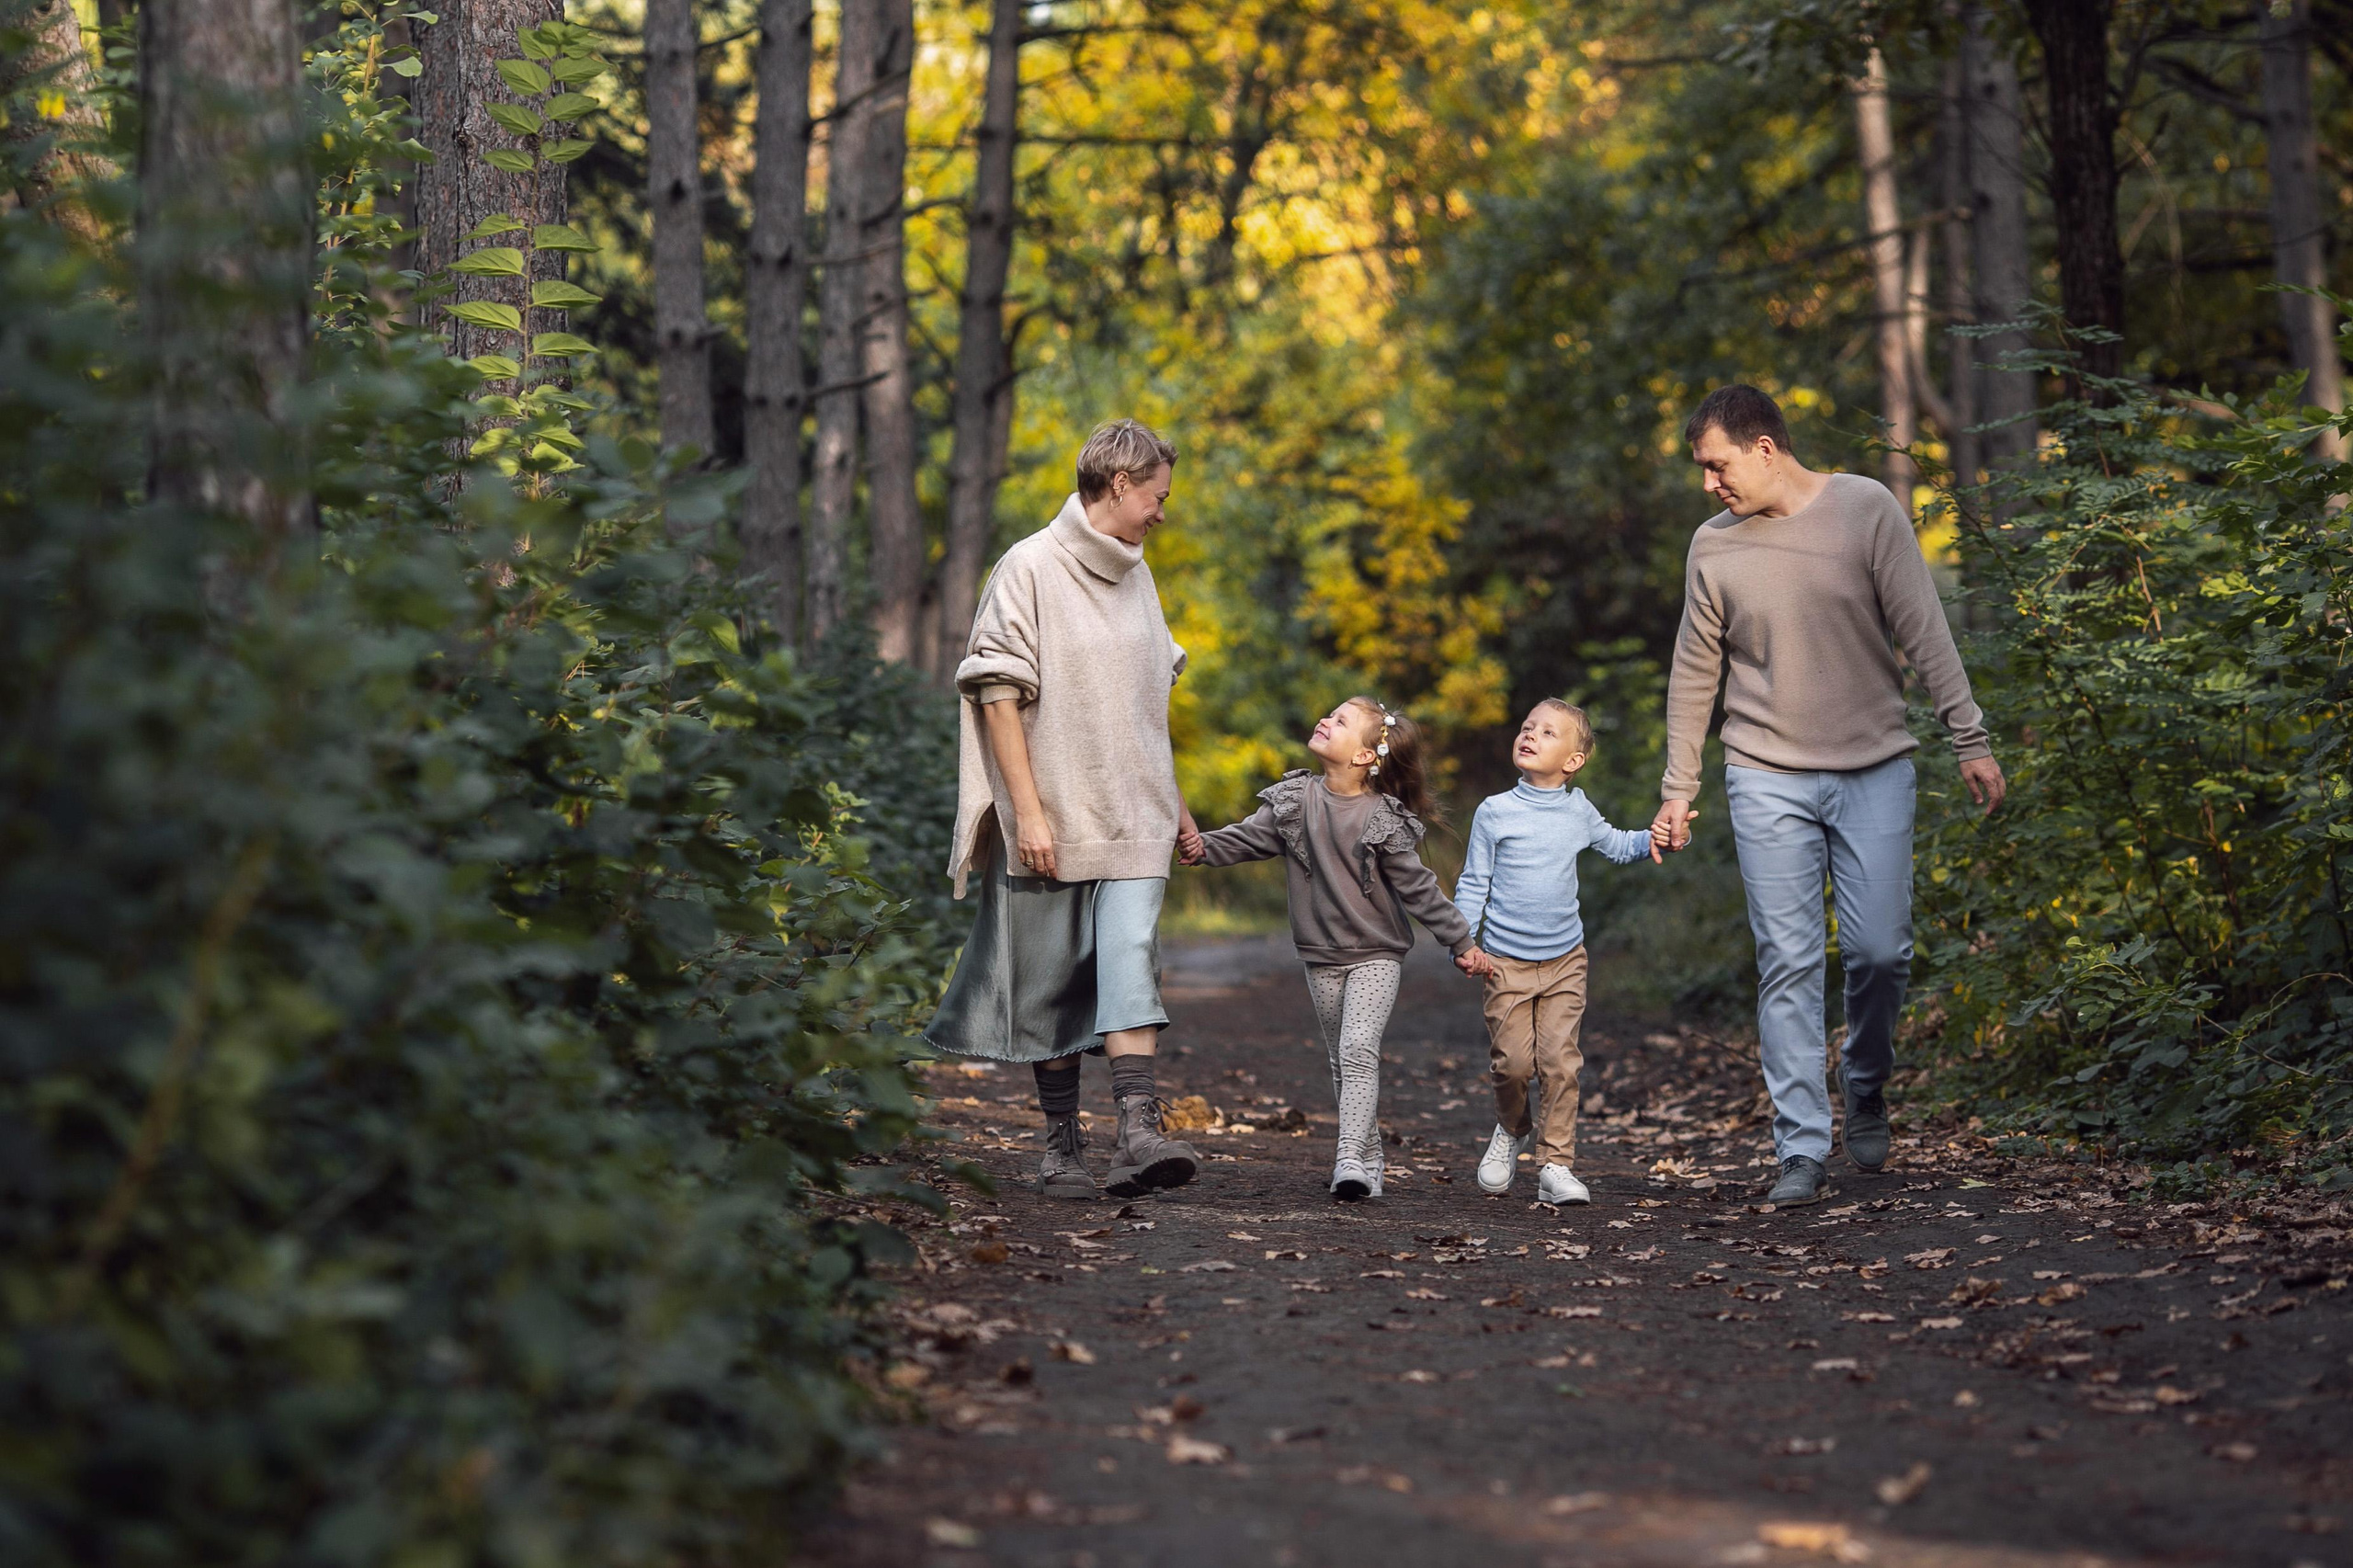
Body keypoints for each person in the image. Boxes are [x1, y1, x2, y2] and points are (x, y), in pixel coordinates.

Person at [1650, 385, 2006, 1208]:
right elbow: (1694, 674)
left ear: (1765, 448)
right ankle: (1801, 1148)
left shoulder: (1865, 509)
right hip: (1764, 770)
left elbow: (1923, 626)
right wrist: (1679, 787)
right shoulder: (1713, 546)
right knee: (1789, 961)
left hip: (1874, 763)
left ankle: (1867, 1078)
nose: (1709, 484)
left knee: (1882, 952)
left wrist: (1970, 736)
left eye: (1717, 465)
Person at [925, 419, 1206, 1202]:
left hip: (1137, 815)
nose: (1161, 512)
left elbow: (1145, 710)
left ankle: (1140, 1132)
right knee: (1052, 985)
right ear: (1121, 485)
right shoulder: (1030, 568)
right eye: (1158, 496)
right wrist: (1030, 814)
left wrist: (1177, 809)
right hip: (1053, 817)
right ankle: (1062, 1146)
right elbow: (997, 697)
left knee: (1129, 963)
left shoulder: (1139, 576)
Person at [1180, 698, 1476, 1199]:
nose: (1325, 720)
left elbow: (1419, 889)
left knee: (1359, 1050)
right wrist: (1202, 847)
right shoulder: (1296, 800)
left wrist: (1461, 940)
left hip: (1377, 953)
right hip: (1320, 955)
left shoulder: (1383, 817)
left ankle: (1347, 1160)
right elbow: (1247, 839)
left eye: (1341, 722)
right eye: (1329, 714)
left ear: (1364, 757)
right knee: (1343, 1060)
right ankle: (1369, 1157)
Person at [1453, 699, 1663, 1206]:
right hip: (1504, 962)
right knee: (1513, 1065)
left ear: (1573, 761)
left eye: (1548, 732)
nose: (1531, 735)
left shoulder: (1579, 811)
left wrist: (1657, 838)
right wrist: (1462, 940)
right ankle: (1511, 1128)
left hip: (1566, 960)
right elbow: (1474, 881)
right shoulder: (1495, 811)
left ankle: (1556, 1164)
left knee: (1561, 1064)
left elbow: (1617, 844)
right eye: (1528, 728)